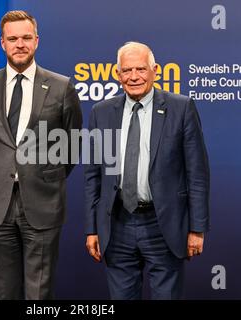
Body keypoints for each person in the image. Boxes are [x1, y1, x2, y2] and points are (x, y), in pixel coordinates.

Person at [0, 10, 82, 300]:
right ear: (3, 44)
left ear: (36, 41)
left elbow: (70, 149)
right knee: (4, 292)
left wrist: (42, 176)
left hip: (43, 204)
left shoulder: (61, 86)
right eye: (13, 38)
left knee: (39, 295)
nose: (20, 44)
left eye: (26, 38)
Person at [84, 42, 210, 299]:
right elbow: (93, 175)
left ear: (155, 70)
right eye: (126, 70)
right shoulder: (101, 112)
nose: (133, 76)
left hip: (163, 225)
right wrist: (92, 228)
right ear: (117, 75)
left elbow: (197, 173)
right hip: (116, 225)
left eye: (140, 69)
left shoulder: (181, 108)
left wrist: (197, 229)